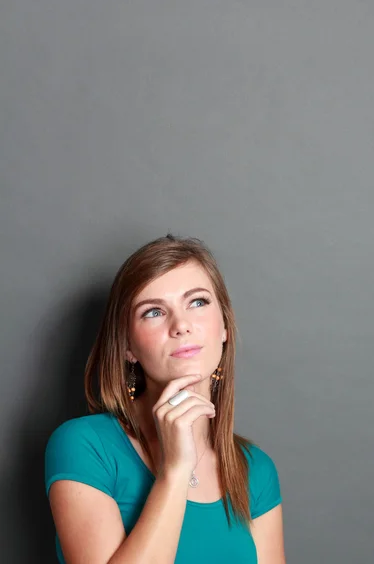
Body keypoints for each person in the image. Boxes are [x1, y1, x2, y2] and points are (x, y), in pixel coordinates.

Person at [45, 234, 285, 564]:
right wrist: (175, 470)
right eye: (154, 312)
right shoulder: (86, 445)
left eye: (198, 302)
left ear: (225, 325)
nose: (181, 325)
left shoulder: (254, 469)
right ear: (128, 347)